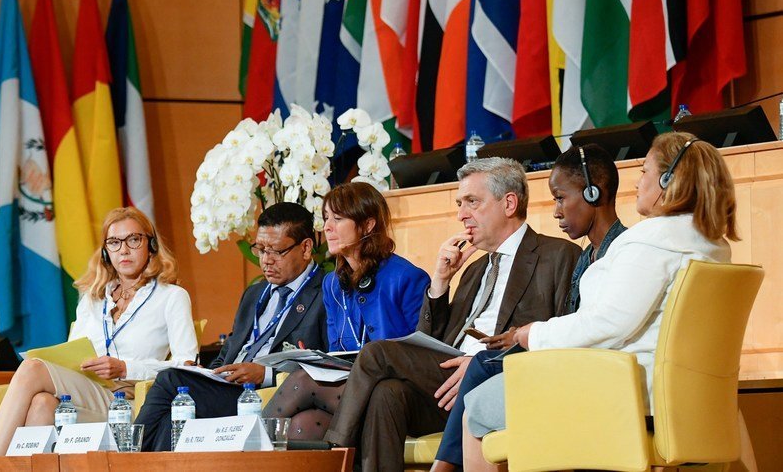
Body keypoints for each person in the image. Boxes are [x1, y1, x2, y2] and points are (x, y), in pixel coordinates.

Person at [459, 133, 737, 472]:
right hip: (679, 399)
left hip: (622, 393)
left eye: (645, 171)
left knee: (478, 406)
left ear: (668, 180)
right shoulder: (714, 247)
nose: (638, 182)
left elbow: (609, 324)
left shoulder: (650, 242)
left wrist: (532, 334)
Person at [322, 157, 582, 471]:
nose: (461, 215)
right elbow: (427, 343)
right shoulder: (472, 271)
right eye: (460, 203)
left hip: (497, 377)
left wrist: (481, 363)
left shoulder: (557, 255)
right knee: (386, 394)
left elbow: (563, 336)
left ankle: (335, 452)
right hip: (447, 382)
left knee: (377, 358)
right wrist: (440, 284)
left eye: (472, 202)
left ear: (509, 203)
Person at [430, 144, 626, 471]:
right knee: (384, 376)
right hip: (462, 373)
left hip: (570, 374)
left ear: (593, 194)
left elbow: (591, 328)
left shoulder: (590, 254)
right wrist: (439, 283)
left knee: (479, 374)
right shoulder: (475, 269)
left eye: (561, 198)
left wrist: (526, 334)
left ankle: (441, 468)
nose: (555, 211)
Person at [0, 207, 198, 455]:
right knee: (41, 403)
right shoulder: (93, 298)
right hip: (86, 391)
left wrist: (125, 368)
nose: (124, 250)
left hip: (128, 401)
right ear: (106, 252)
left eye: (133, 239)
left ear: (150, 245)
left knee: (33, 368)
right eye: (114, 242)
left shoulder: (171, 297)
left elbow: (188, 367)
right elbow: (73, 352)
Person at [135, 202, 329, 451]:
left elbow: (324, 361)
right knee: (171, 418)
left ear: (305, 248)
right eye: (260, 250)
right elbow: (229, 352)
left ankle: (126, 456)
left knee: (169, 379)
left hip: (267, 391)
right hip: (229, 386)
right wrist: (206, 373)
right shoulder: (255, 293)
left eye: (276, 252)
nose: (266, 261)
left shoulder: (325, 292)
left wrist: (265, 373)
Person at [261, 182, 431, 441]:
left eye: (338, 219)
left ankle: (247, 450)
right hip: (349, 384)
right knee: (303, 424)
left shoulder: (408, 277)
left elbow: (417, 357)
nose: (327, 227)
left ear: (368, 225)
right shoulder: (332, 283)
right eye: (326, 218)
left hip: (395, 391)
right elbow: (336, 350)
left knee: (302, 381)